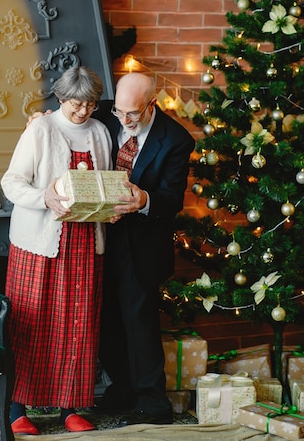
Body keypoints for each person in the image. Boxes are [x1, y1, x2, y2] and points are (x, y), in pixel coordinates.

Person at [1, 66, 113, 435]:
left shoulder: (99, 132)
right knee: (28, 326)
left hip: (85, 246)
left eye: (91, 105)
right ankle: (17, 409)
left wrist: (112, 207)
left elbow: (104, 182)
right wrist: (44, 197)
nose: (83, 112)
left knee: (77, 327)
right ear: (61, 98)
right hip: (39, 245)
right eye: (77, 104)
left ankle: (69, 408)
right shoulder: (41, 128)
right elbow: (11, 183)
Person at [96, 72, 195, 426]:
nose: (123, 120)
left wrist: (144, 199)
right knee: (104, 320)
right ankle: (122, 390)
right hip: (99, 236)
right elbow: (65, 116)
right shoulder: (104, 112)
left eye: (132, 114)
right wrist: (42, 118)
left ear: (151, 105)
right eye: (119, 112)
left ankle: (154, 404)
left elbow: (172, 200)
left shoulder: (176, 140)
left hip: (140, 242)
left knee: (139, 324)